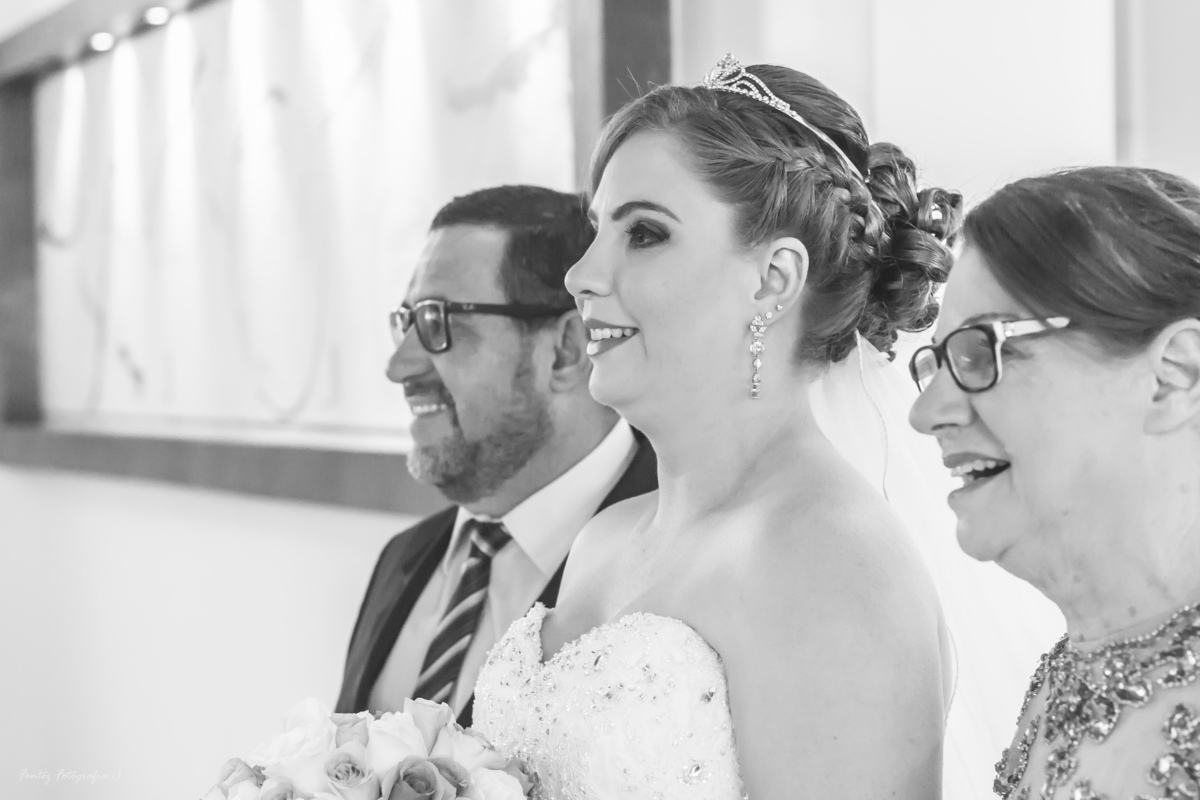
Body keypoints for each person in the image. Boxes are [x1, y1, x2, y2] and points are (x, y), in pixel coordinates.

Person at [473, 56, 960, 799]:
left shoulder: (833, 563)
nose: (580, 275)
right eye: (598, 230)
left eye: (644, 234)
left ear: (773, 279)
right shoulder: (604, 538)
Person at [909, 166, 1200, 799]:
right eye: (937, 364)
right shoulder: (1070, 669)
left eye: (983, 351)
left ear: (1173, 376)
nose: (925, 414)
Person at [335, 185, 658, 724]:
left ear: (566, 351)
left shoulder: (677, 558)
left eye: (438, 322)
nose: (398, 367)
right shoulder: (401, 559)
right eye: (407, 322)